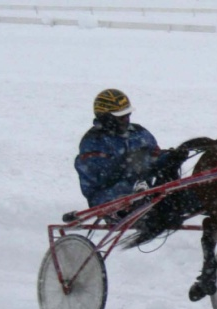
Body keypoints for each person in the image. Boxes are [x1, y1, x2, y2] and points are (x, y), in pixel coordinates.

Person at [74, 88, 197, 233]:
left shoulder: (139, 133)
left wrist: (171, 157)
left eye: (127, 115)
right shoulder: (93, 142)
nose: (126, 119)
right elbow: (102, 180)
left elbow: (154, 158)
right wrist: (132, 164)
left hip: (145, 193)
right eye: (121, 117)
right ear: (105, 117)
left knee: (193, 194)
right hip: (110, 199)